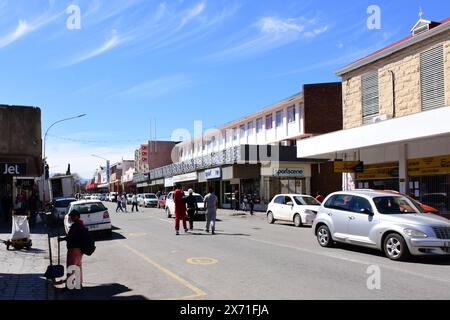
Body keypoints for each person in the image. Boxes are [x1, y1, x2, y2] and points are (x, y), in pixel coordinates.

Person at [58, 210, 85, 289]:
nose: (71, 217)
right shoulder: (80, 224)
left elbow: (71, 237)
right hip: (80, 249)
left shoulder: (76, 226)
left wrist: (62, 239)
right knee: (78, 266)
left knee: (71, 266)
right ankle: (78, 284)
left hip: (74, 249)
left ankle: (70, 285)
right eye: (71, 216)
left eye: (73, 216)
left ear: (77, 216)